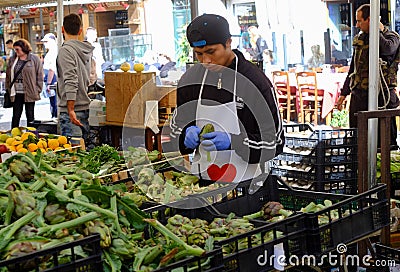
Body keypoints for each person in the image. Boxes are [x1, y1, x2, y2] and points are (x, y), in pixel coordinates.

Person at [169, 14, 284, 183]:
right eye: (199, 54)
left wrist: (234, 142)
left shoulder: (255, 82)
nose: (206, 61)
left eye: (211, 52)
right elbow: (175, 129)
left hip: (248, 185)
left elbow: (275, 142)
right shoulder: (190, 81)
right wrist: (184, 134)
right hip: (203, 183)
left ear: (228, 43)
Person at [337, 4, 400, 148]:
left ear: (370, 19)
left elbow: (387, 50)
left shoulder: (391, 37)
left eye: (360, 21)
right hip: (360, 95)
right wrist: (344, 93)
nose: (357, 25)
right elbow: (354, 68)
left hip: (382, 97)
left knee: (384, 141)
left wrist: (375, 30)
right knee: (358, 138)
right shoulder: (361, 39)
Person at [57, 13, 94, 142]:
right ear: (80, 30)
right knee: (84, 154)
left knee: (74, 155)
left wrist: (70, 109)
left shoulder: (66, 51)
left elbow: (71, 80)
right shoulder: (85, 50)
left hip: (72, 112)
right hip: (84, 107)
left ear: (62, 29)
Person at [5, 39, 43, 129]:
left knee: (30, 115)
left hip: (29, 91)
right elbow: (8, 75)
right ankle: (14, 135)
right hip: (16, 91)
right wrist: (8, 88)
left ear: (24, 48)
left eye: (17, 49)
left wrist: (38, 89)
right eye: (15, 49)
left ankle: (31, 134)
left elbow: (40, 75)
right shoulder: (12, 59)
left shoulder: (34, 59)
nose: (16, 51)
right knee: (16, 115)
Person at [41, 33, 58, 119]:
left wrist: (48, 83)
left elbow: (52, 69)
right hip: (50, 77)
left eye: (46, 42)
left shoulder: (53, 52)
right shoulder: (52, 52)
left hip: (52, 78)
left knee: (54, 101)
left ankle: (54, 116)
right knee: (53, 100)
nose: (45, 44)